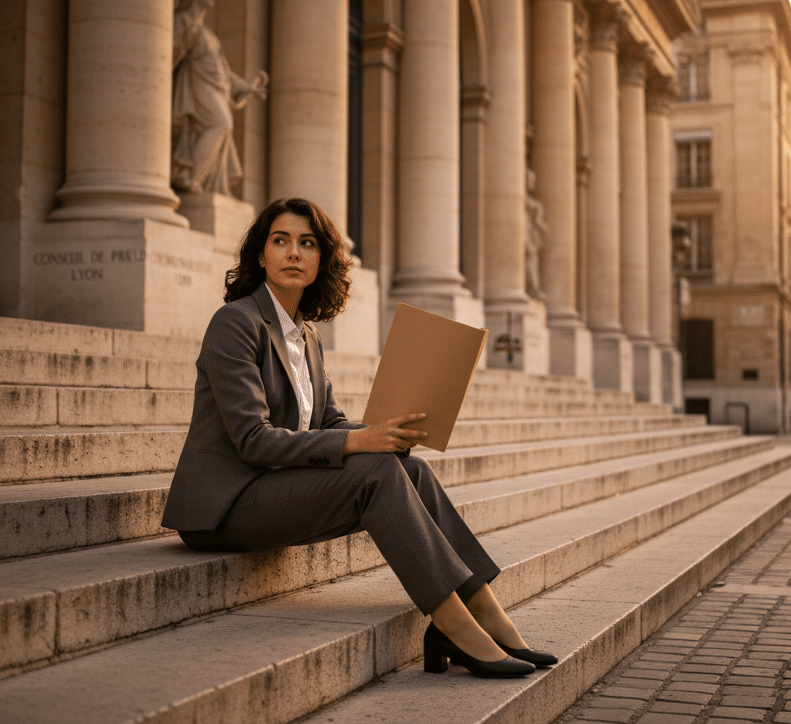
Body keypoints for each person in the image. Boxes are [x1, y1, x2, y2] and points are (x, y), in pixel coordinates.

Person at [160, 198, 549, 678]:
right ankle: (453, 625)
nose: (294, 253)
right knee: (377, 473)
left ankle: (488, 613)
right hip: (226, 506)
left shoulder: (306, 335)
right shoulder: (236, 323)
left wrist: (386, 432)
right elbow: (253, 441)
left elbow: (326, 421)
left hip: (275, 490)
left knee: (411, 469)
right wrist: (358, 445)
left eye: (307, 244)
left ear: (321, 259)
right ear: (260, 255)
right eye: (280, 241)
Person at [170, 0, 268, 196]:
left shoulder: (210, 35)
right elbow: (170, 55)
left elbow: (225, 72)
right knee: (222, 123)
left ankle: (198, 179)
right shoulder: (184, 21)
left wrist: (247, 87)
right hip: (197, 87)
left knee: (224, 125)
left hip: (215, 88)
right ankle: (190, 176)